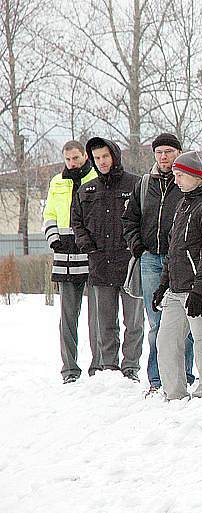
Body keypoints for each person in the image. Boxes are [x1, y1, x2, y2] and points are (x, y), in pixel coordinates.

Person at [151, 152, 202, 400]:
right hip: (177, 288)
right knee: (166, 342)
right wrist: (163, 283)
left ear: (196, 175)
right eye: (174, 176)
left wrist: (200, 288)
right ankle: (174, 393)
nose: (176, 181)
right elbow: (174, 247)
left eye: (180, 175)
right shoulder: (185, 202)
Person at [122, 133, 194, 395]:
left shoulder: (187, 182)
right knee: (157, 324)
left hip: (180, 261)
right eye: (159, 152)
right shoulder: (143, 184)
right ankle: (156, 379)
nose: (164, 157)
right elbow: (129, 219)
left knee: (184, 324)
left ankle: (184, 375)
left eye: (169, 152)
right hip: (151, 259)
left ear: (178, 153)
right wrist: (138, 247)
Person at [71, 137, 145, 381]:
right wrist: (87, 246)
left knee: (133, 321)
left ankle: (130, 366)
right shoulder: (86, 189)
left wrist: (136, 246)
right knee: (105, 322)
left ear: (114, 156)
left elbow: (144, 219)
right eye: (97, 158)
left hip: (129, 264)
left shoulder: (135, 184)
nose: (101, 161)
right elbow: (77, 222)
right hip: (100, 263)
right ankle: (109, 366)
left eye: (105, 156)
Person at [43, 140, 100, 383]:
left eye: (76, 158)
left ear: (85, 156)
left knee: (97, 316)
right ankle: (69, 369)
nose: (72, 163)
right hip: (65, 255)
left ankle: (99, 367)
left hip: (92, 254)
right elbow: (49, 214)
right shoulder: (57, 182)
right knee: (67, 316)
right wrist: (54, 238)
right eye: (68, 159)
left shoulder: (97, 178)